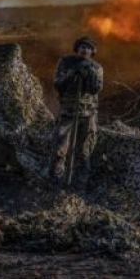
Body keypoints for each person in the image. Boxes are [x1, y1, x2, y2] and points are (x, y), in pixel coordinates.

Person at [50, 36, 104, 193]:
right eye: (82, 46)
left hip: (87, 114)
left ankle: (80, 185)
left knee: (84, 150)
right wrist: (72, 73)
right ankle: (55, 181)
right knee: (59, 147)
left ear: (92, 51)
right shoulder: (65, 62)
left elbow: (96, 89)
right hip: (68, 112)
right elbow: (58, 84)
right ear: (77, 48)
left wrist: (89, 73)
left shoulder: (96, 67)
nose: (84, 50)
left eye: (88, 47)